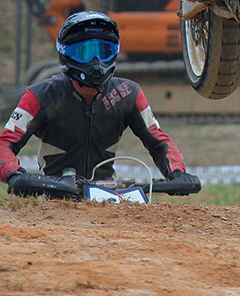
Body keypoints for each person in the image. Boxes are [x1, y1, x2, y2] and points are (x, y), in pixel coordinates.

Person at [0, 11, 200, 189]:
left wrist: (177, 173)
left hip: (107, 200)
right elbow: (5, 144)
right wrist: (14, 175)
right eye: (84, 53)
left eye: (104, 52)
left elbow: (159, 141)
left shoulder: (128, 93)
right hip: (52, 199)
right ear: (66, 55)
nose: (96, 62)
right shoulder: (39, 95)